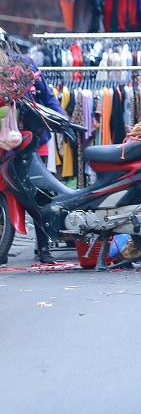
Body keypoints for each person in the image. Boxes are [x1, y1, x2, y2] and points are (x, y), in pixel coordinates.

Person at [0, 27, 64, 265]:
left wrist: (61, 120)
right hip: (4, 144)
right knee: (7, 194)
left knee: (39, 193)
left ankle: (44, 246)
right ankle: (3, 247)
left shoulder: (26, 66)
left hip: (34, 141)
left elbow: (47, 97)